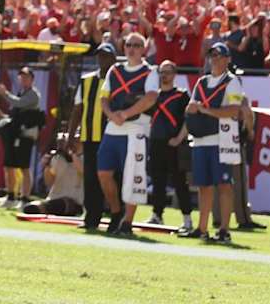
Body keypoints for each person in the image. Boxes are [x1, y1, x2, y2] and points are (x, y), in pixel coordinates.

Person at [97, 32, 159, 236]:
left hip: (136, 128)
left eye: (136, 45)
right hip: (113, 127)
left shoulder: (150, 72)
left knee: (133, 175)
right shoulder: (114, 70)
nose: (131, 48)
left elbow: (150, 98)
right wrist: (111, 115)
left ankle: (128, 222)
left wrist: (126, 113)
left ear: (143, 49)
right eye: (128, 45)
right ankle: (116, 212)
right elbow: (104, 97)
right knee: (103, 172)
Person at [183, 42, 243, 243]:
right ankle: (202, 228)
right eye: (212, 55)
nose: (215, 59)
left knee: (224, 184)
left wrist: (204, 110)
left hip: (221, 140)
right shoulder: (202, 82)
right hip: (201, 140)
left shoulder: (232, 82)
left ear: (227, 59)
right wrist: (194, 109)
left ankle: (224, 229)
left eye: (219, 55)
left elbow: (234, 110)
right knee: (203, 186)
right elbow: (192, 107)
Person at [68, 42, 113, 231]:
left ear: (113, 58)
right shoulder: (86, 80)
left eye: (106, 56)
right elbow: (78, 109)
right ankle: (92, 217)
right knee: (91, 178)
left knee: (112, 177)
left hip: (111, 137)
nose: (102, 59)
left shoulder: (117, 79)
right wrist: (71, 134)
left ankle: (115, 215)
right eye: (100, 55)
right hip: (90, 135)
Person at [146, 61, 193, 232]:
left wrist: (179, 138)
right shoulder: (154, 96)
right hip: (156, 143)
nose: (164, 75)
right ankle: (157, 215)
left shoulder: (181, 95)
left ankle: (187, 219)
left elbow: (189, 120)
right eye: (161, 72)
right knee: (158, 181)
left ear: (174, 74)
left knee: (180, 182)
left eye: (167, 72)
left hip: (174, 144)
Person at [0, 66, 41, 208]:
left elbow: (18, 103)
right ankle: (10, 197)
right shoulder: (21, 92)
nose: (23, 79)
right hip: (16, 134)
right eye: (21, 76)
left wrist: (5, 93)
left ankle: (24, 198)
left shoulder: (33, 94)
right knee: (9, 165)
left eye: (26, 77)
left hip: (26, 135)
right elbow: (17, 114)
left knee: (24, 167)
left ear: (32, 79)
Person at [22, 134, 84, 217]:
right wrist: (47, 167)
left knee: (63, 204)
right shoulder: (58, 158)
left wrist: (73, 154)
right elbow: (49, 183)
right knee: (30, 208)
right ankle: (44, 209)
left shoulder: (85, 158)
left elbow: (83, 171)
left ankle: (45, 209)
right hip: (55, 199)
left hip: (76, 202)